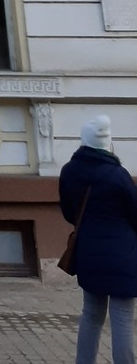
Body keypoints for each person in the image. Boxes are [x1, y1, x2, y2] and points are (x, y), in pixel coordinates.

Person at [59, 115, 137, 364]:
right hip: (124, 258)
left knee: (91, 315)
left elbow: (69, 213)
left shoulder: (69, 171)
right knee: (122, 319)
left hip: (89, 255)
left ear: (84, 141)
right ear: (108, 143)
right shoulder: (119, 175)